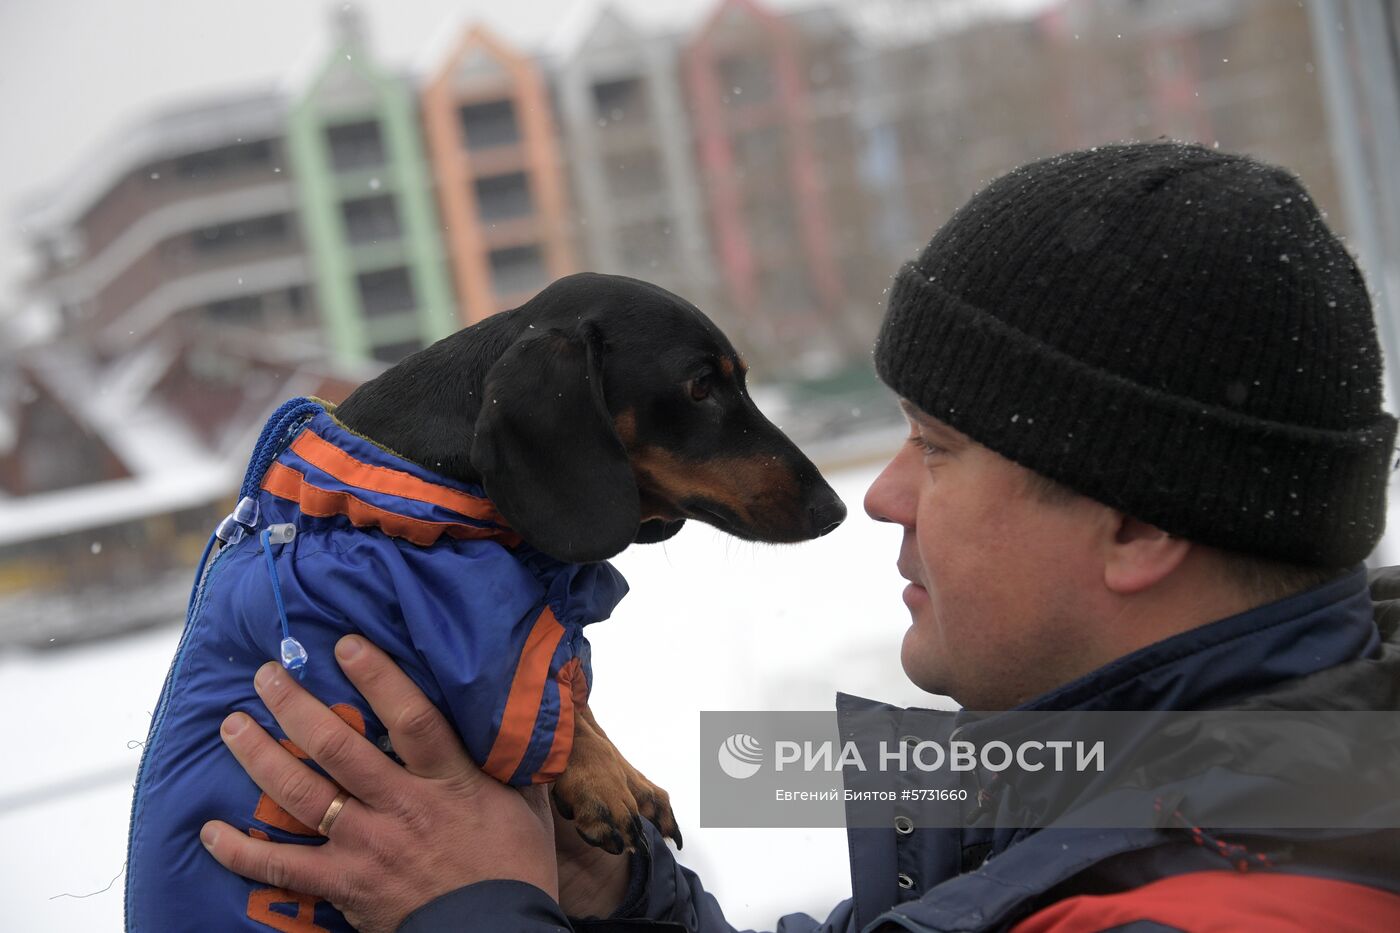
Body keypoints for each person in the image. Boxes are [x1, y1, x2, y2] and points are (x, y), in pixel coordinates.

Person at [196, 141, 1400, 931]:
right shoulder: (1151, 792)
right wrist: (613, 898)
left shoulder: (1228, 906)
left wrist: (475, 916)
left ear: (1133, 525)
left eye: (934, 449)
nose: (878, 497)